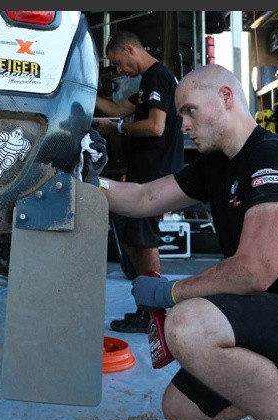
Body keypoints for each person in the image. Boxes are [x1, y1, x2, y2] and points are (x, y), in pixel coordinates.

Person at [88, 64, 278, 420]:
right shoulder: (218, 166)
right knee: (182, 411)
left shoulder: (272, 157)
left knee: (188, 325)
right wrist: (86, 179)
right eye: (180, 115)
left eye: (190, 110)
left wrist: (171, 291)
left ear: (225, 97)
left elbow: (255, 270)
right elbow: (144, 197)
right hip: (269, 315)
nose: (183, 125)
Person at [92, 30, 184, 333]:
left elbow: (156, 127)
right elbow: (119, 109)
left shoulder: (158, 76)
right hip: (146, 171)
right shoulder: (149, 81)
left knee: (143, 239)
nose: (119, 71)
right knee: (134, 238)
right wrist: (85, 94)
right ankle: (147, 307)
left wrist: (119, 128)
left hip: (155, 172)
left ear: (131, 50)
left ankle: (153, 313)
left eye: (119, 64)